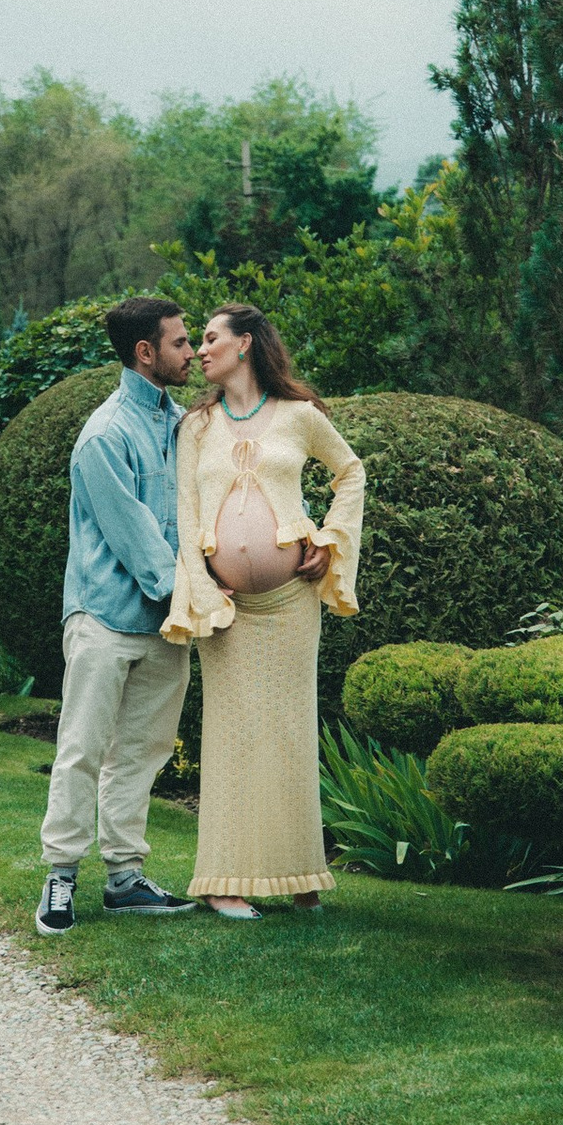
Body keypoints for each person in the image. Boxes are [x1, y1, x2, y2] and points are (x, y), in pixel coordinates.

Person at [165, 304, 365, 918]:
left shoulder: (300, 417)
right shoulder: (196, 425)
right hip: (229, 611)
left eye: (210, 338)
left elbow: (351, 474)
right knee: (230, 738)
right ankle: (224, 880)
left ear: (245, 344)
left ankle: (302, 876)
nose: (199, 350)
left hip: (290, 606)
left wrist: (330, 541)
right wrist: (199, 583)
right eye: (196, 341)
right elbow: (186, 514)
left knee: (290, 734)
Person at [35, 297, 201, 937]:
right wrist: (196, 595)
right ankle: (61, 877)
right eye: (182, 343)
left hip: (166, 626)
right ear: (146, 353)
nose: (191, 353)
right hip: (105, 618)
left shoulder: (182, 425)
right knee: (82, 750)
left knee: (143, 753)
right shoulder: (105, 435)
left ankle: (126, 879)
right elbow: (137, 540)